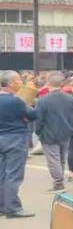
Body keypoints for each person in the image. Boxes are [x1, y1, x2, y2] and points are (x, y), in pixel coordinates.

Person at [36, 72, 73, 191]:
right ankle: (60, 180)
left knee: (53, 159)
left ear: (48, 83)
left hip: (48, 133)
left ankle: (58, 181)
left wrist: (38, 131)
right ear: (62, 84)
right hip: (66, 132)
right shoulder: (69, 98)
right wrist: (71, 128)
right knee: (61, 157)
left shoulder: (43, 100)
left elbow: (39, 119)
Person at [0, 71, 34, 218]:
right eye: (19, 80)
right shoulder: (17, 101)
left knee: (2, 174)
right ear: (11, 83)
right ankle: (13, 208)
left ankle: (2, 206)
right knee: (13, 174)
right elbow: (33, 115)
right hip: (15, 138)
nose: (22, 83)